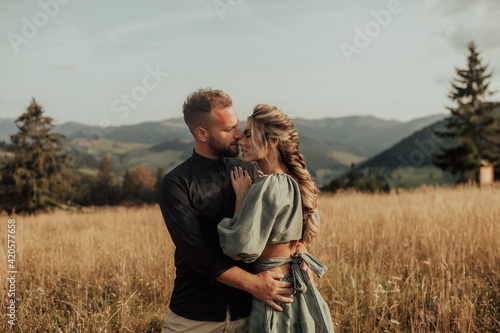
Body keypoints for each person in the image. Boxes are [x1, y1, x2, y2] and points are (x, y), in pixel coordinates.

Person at [159, 89, 297, 333]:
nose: (238, 136)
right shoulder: (177, 183)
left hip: (249, 315)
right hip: (194, 319)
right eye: (227, 130)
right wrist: (255, 284)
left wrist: (299, 249)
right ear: (201, 133)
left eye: (237, 126)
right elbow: (197, 255)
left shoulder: (252, 171)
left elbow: (276, 226)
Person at [217, 104, 335, 332]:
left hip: (275, 294)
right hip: (299, 288)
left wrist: (242, 196)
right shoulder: (295, 181)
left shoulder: (269, 185)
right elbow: (302, 237)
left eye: (249, 135)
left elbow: (236, 250)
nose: (241, 141)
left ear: (272, 141)